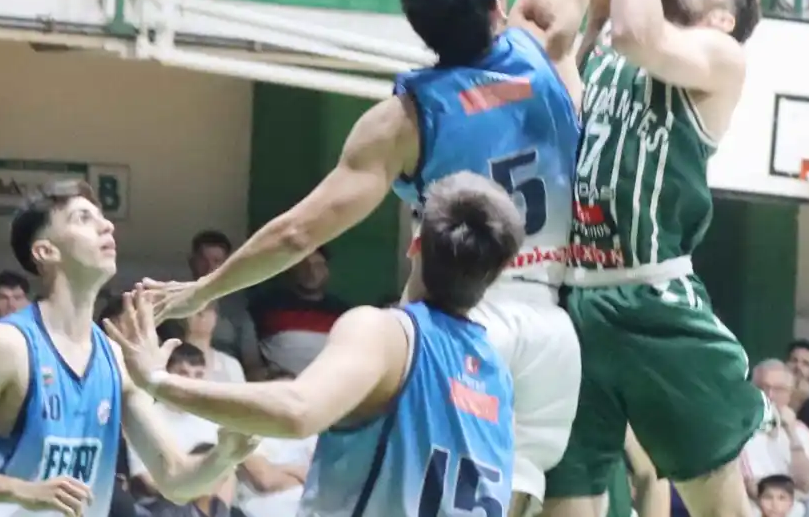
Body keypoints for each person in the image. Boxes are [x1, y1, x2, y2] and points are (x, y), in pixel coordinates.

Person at [138, 0, 699, 517]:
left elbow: (300, 232)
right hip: (556, 323)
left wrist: (199, 294)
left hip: (463, 328)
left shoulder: (405, 119)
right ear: (502, 5)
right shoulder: (544, 40)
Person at [542, 0, 765, 517]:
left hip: (655, 303)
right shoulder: (604, 41)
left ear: (722, 15)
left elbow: (639, 25)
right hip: (574, 301)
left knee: (719, 510)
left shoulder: (716, 59)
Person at [104, 172, 522, 517]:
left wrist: (158, 379)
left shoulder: (386, 333)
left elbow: (298, 411)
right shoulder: (497, 373)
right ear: (498, 271)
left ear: (415, 244)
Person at [0, 181, 257, 517]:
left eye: (102, 217)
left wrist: (224, 455)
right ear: (45, 251)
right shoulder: (6, 345)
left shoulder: (115, 360)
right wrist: (24, 492)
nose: (106, 225)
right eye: (83, 218)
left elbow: (174, 480)